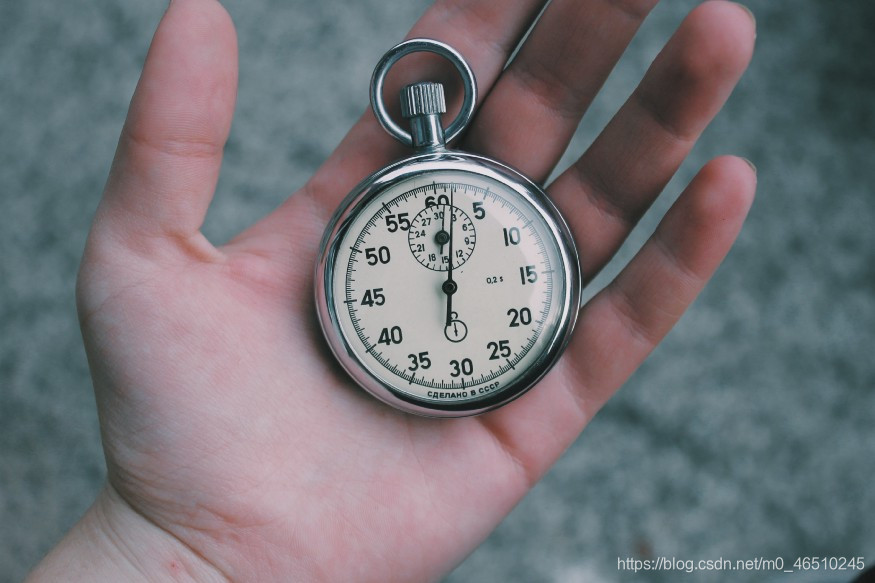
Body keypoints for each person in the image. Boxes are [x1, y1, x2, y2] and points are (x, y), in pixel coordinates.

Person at [26, 0, 756, 580]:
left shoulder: (490, 229)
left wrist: (170, 552)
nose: (446, 286)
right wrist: (177, 545)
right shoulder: (376, 240)